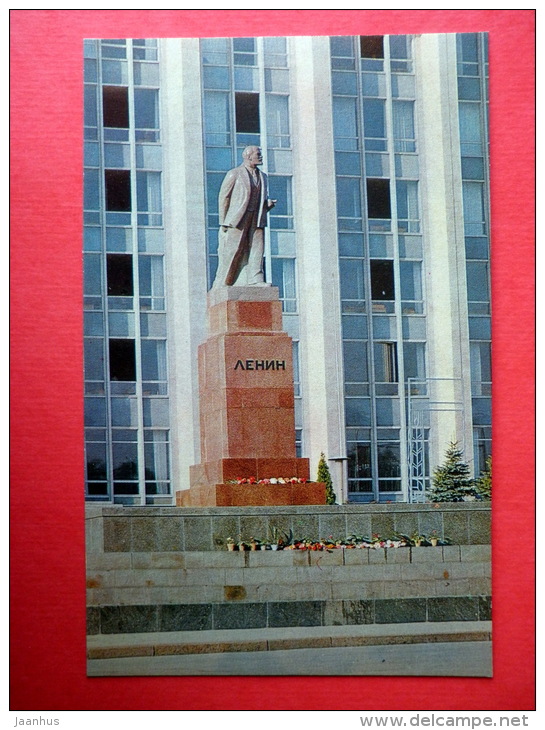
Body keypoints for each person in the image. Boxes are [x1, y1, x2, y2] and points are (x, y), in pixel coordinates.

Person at [212, 145, 276, 288]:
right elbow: (224, 197)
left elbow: (259, 197)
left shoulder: (263, 176)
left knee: (257, 247)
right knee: (233, 249)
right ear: (248, 156)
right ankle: (223, 281)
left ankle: (255, 278)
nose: (260, 157)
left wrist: (267, 205)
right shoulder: (234, 173)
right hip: (237, 219)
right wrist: (223, 222)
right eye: (258, 154)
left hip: (257, 217)